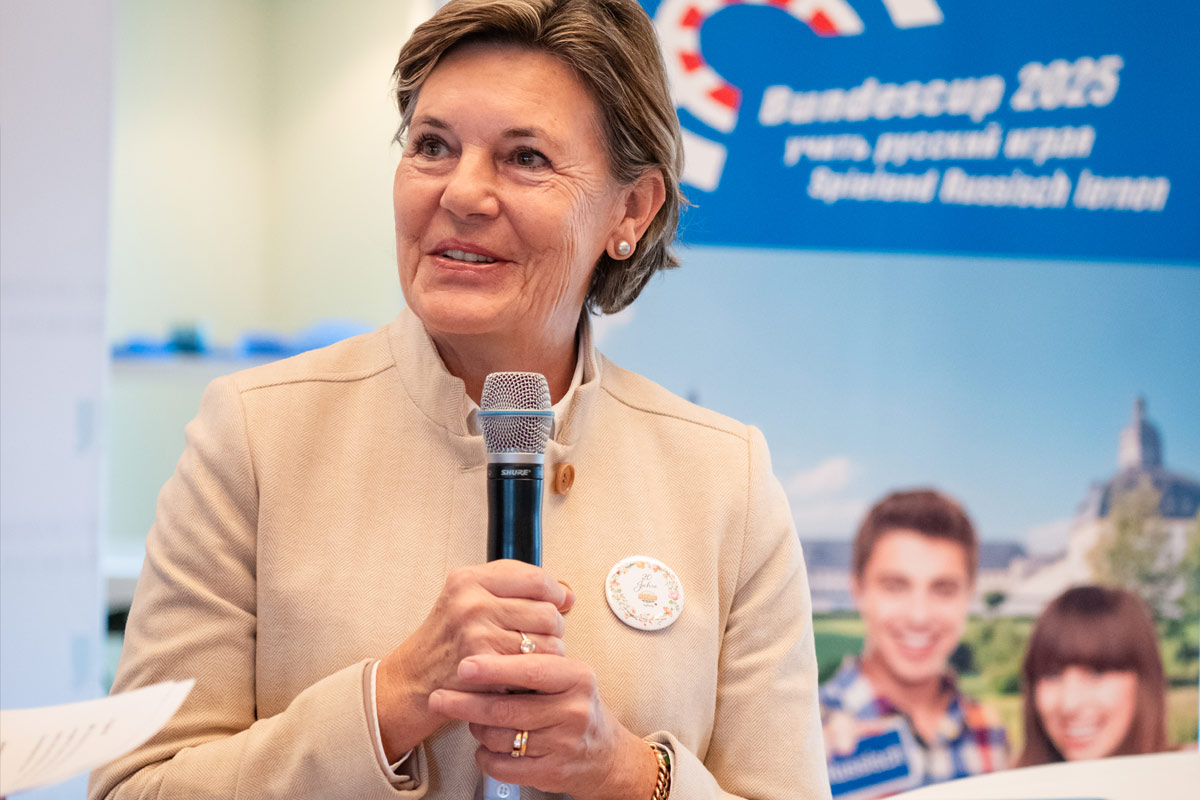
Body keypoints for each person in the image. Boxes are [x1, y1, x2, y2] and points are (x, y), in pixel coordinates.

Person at [88, 1, 830, 799]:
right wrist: (390, 702)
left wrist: (625, 771)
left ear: (632, 209)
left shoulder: (725, 479)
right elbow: (134, 790)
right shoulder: (256, 434)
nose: (463, 193)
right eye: (433, 146)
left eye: (526, 158)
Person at [819, 489, 1008, 797]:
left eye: (943, 589)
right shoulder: (807, 732)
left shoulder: (988, 728)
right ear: (858, 590)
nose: (919, 616)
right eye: (895, 587)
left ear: (968, 596)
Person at [1018, 584, 1167, 765]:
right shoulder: (1007, 782)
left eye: (1097, 672)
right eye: (1052, 675)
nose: (1069, 704)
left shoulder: (1185, 778)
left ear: (1143, 679)